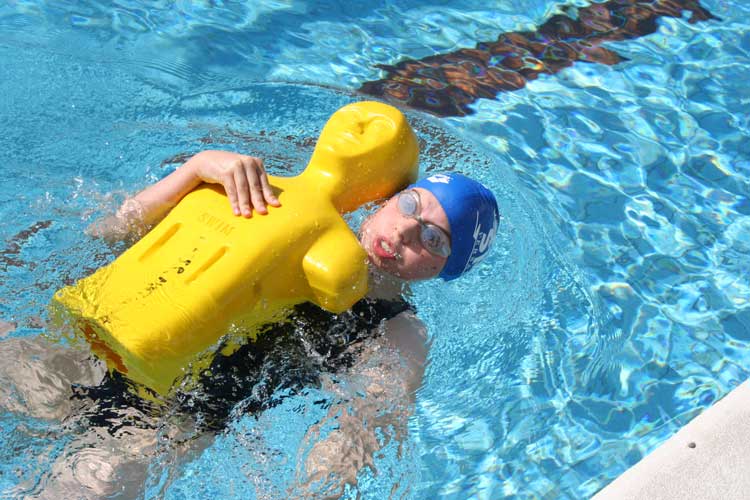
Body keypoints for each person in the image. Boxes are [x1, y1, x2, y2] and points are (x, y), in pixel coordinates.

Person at [2, 147, 499, 498]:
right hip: (86, 352)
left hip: (156, 424)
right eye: (411, 205)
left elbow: (362, 428)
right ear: (387, 198)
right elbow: (108, 233)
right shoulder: (268, 202)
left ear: (445, 270)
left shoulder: (396, 331)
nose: (407, 229)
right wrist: (195, 171)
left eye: (433, 239)